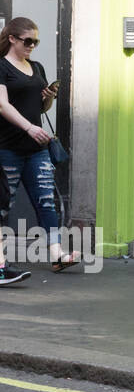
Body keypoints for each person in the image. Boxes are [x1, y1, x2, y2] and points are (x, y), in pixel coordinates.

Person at [0, 16, 75, 278]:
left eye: (36, 42)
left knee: (46, 202)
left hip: (36, 150)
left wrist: (49, 99)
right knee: (3, 204)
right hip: (7, 147)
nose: (32, 46)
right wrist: (29, 128)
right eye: (27, 41)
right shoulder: (1, 67)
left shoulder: (37, 67)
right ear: (12, 39)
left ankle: (57, 255)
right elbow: (2, 105)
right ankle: (1, 263)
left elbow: (40, 109)